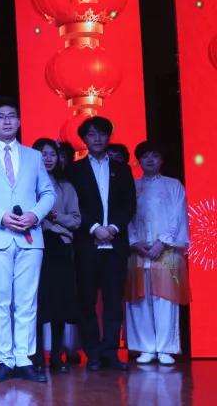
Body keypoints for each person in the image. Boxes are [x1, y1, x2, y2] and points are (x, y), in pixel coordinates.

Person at [0, 98, 55, 383]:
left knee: (27, 300)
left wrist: (35, 214)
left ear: (19, 121)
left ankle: (24, 358)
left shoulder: (33, 156)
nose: (7, 121)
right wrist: (0, 216)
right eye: (0, 117)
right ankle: (4, 359)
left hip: (30, 237)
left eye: (12, 116)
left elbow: (48, 193)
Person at [67, 116, 136, 371]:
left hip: (116, 245)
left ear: (109, 137)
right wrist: (95, 228)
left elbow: (129, 204)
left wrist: (113, 228)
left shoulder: (122, 169)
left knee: (113, 300)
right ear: (84, 139)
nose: (97, 139)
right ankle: (93, 353)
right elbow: (74, 205)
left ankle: (110, 352)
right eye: (92, 134)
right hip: (87, 243)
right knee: (86, 300)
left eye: (102, 134)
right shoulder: (74, 170)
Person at [126, 141, 189, 365]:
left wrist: (162, 242)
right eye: (145, 156)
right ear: (139, 161)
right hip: (139, 250)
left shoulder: (173, 185)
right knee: (140, 299)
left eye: (155, 155)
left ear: (162, 160)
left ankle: (165, 348)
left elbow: (178, 216)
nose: (150, 160)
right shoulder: (132, 186)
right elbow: (126, 216)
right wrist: (135, 241)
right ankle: (145, 347)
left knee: (165, 299)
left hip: (166, 251)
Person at [32, 138, 81, 374]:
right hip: (36, 247)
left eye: (53, 154)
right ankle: (37, 356)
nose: (48, 158)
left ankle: (57, 356)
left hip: (60, 247)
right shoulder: (27, 187)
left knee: (60, 304)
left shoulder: (66, 187)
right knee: (38, 303)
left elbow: (75, 220)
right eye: (43, 154)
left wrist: (54, 217)